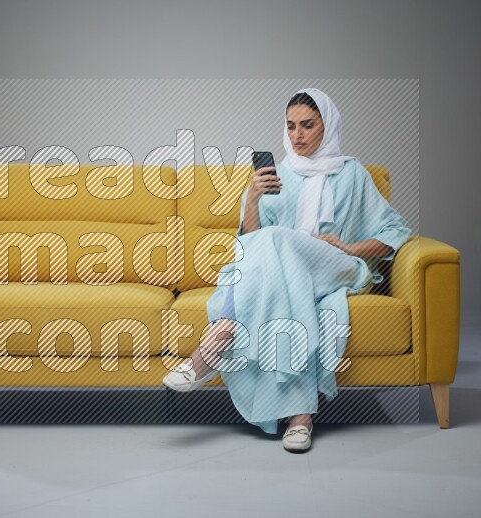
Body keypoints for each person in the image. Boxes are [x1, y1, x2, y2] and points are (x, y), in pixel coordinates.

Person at [163, 88, 412, 453]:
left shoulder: (353, 175)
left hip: (336, 266)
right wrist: (252, 198)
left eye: (308, 126)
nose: (297, 135)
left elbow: (395, 231)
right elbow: (251, 242)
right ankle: (300, 416)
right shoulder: (278, 175)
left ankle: (214, 344)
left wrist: (348, 247)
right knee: (272, 249)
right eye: (291, 126)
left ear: (327, 126)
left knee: (275, 239)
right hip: (286, 272)